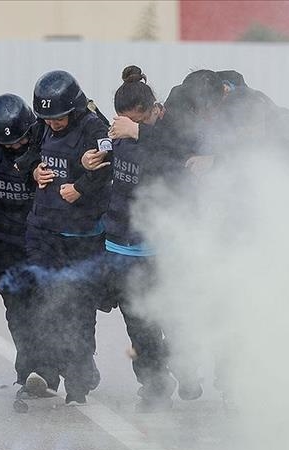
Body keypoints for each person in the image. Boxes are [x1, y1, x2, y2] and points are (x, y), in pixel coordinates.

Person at [84, 66, 201, 412]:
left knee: (169, 313)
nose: (128, 126)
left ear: (154, 111)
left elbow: (178, 163)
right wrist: (92, 161)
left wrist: (139, 133)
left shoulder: (172, 127)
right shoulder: (120, 129)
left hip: (163, 246)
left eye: (137, 121)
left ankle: (185, 366)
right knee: (138, 320)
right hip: (121, 241)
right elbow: (112, 161)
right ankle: (154, 383)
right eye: (124, 121)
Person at [23, 70, 111, 406]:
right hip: (45, 228)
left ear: (73, 108)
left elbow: (112, 159)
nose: (53, 124)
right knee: (46, 301)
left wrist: (80, 187)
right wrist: (33, 169)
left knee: (78, 307)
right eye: (47, 118)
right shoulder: (42, 125)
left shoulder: (93, 126)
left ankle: (79, 381)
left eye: (59, 118)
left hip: (82, 235)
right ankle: (46, 372)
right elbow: (27, 150)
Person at [0, 94, 41, 391]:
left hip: (38, 241)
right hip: (3, 243)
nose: (14, 147)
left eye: (19, 141)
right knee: (16, 310)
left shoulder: (42, 141)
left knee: (44, 306)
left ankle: (49, 369)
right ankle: (28, 369)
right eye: (7, 144)